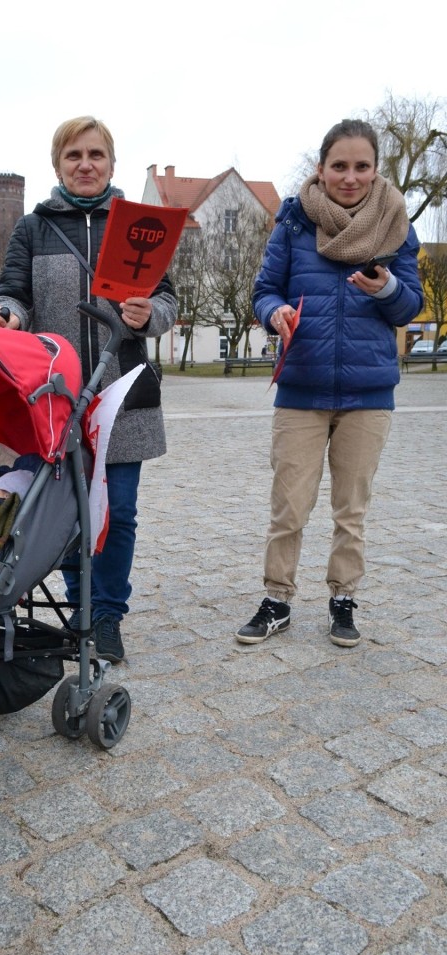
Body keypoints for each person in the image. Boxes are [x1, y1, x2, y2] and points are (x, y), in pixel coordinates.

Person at [0, 116, 178, 662]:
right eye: (74, 155)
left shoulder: (140, 224)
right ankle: (81, 608)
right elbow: (12, 294)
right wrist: (8, 313)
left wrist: (149, 314)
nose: (86, 164)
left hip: (123, 394)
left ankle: (108, 616)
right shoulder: (34, 227)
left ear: (112, 164)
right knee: (67, 513)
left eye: (96, 154)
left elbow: (166, 299)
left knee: (116, 512)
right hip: (58, 396)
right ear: (58, 166)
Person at [236, 118, 423, 648]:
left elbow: (410, 307)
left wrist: (386, 287)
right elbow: (264, 291)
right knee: (289, 506)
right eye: (339, 166)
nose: (350, 176)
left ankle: (343, 601)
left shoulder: (394, 226)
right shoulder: (295, 223)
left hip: (368, 395)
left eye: (361, 166)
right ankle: (277, 600)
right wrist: (274, 315)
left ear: (374, 170)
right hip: (302, 388)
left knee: (351, 510)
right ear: (321, 169)